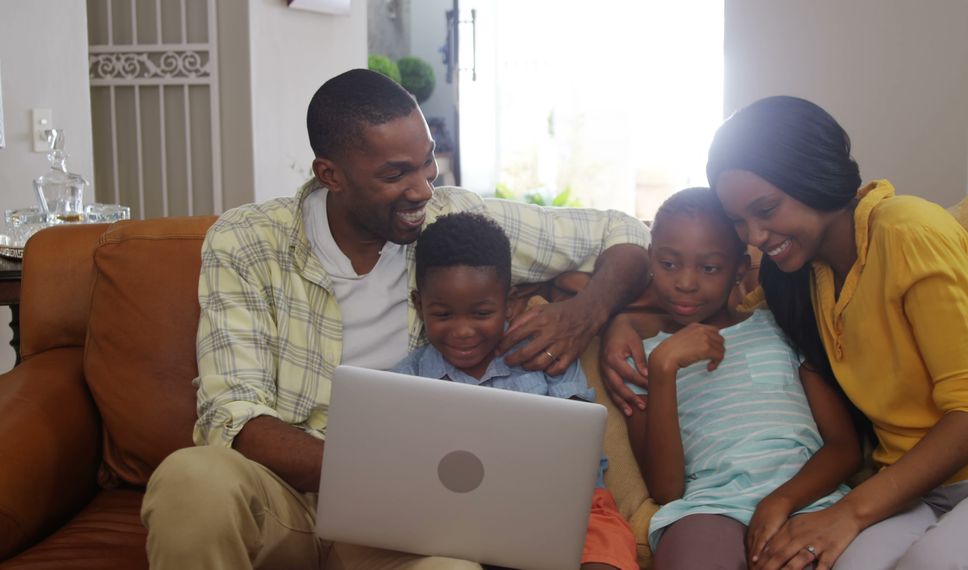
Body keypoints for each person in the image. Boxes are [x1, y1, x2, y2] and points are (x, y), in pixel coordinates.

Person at [140, 68, 650, 570]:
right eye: (394, 174)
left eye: (426, 164)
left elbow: (622, 230)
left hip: (410, 521)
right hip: (287, 499)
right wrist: (378, 467)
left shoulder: (452, 221)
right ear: (330, 175)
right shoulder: (246, 241)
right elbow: (233, 416)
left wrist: (587, 313)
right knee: (191, 478)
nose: (422, 189)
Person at [605, 95, 968, 570]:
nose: (754, 237)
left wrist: (847, 512)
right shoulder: (796, 276)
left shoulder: (906, 230)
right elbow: (706, 306)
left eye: (766, 209)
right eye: (739, 222)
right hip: (920, 490)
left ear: (813, 176)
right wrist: (621, 324)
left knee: (934, 563)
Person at [617, 187, 859, 570]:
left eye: (709, 267)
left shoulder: (779, 327)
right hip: (709, 507)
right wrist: (664, 368)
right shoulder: (638, 356)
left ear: (740, 270)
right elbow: (666, 489)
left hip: (809, 500)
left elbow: (845, 447)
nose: (685, 282)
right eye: (669, 264)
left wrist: (780, 501)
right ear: (651, 259)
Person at [392, 212, 639, 570]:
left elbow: (579, 446)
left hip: (574, 509)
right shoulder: (406, 380)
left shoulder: (543, 352)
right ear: (419, 306)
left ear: (510, 303)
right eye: (443, 315)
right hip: (461, 517)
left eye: (481, 313)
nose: (462, 331)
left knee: (603, 556)